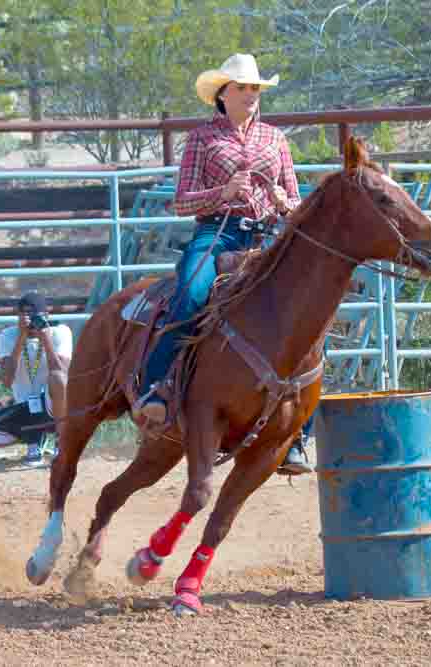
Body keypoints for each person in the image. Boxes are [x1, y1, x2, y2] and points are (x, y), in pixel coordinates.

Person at [132, 53, 313, 475]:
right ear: (223, 94)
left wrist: (288, 204)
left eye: (255, 89)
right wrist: (222, 191)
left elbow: (295, 197)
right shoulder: (202, 139)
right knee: (192, 293)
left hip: (267, 236)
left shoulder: (275, 139)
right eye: (243, 88)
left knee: (301, 312)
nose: (251, 95)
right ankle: (158, 388)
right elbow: (181, 201)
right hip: (218, 233)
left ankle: (294, 430)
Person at [0, 292, 72, 466]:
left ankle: (61, 441)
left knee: (59, 379)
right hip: (25, 407)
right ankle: (35, 438)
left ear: (46, 316)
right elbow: (7, 380)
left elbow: (62, 374)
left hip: (53, 405)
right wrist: (21, 338)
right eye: (25, 316)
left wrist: (45, 340)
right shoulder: (9, 335)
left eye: (34, 316)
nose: (30, 322)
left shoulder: (60, 332)